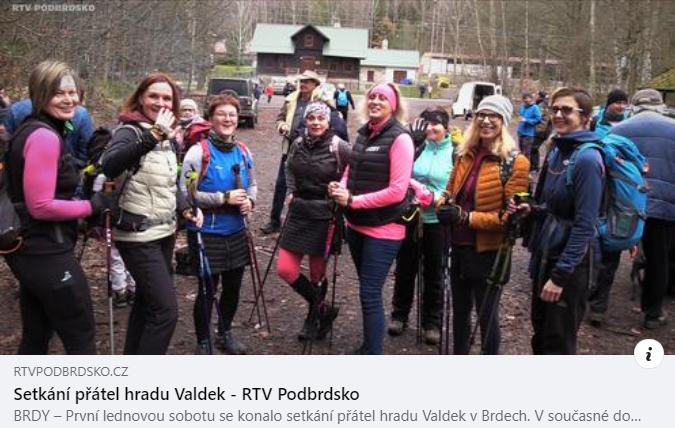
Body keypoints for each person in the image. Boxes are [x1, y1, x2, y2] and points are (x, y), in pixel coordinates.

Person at [4, 60, 110, 354]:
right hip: (46, 252)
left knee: (36, 337)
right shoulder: (43, 137)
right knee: (82, 340)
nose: (69, 99)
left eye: (73, 92)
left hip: (31, 251)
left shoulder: (34, 129)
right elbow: (41, 206)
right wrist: (91, 206)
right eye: (58, 93)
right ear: (40, 95)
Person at [101, 72, 203, 355]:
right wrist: (153, 134)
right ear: (141, 99)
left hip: (163, 232)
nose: (160, 102)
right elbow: (109, 165)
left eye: (167, 98)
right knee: (165, 312)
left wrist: (185, 206)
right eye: (153, 96)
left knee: (147, 304)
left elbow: (169, 181)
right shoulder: (130, 130)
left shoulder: (168, 137)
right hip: (136, 234)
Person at [436, 96, 529, 354]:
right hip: (459, 246)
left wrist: (467, 218)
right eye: (481, 115)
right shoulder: (465, 154)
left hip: (489, 252)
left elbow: (511, 218)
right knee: (460, 313)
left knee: (486, 317)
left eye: (494, 116)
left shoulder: (514, 162)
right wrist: (443, 204)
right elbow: (449, 190)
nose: (486, 121)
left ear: (504, 121)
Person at [328, 83, 414, 355]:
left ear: (393, 105)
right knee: (367, 291)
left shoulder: (401, 138)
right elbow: (352, 167)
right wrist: (342, 187)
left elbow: (397, 191)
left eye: (383, 98)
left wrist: (354, 200)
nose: (376, 101)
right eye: (372, 97)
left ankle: (373, 353)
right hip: (356, 224)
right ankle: (368, 347)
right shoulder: (365, 133)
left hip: (384, 228)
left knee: (370, 293)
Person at [521, 87, 604, 354]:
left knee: (558, 343)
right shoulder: (558, 150)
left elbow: (584, 224)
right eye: (554, 109)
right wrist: (532, 210)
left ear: (586, 116)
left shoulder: (588, 159)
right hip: (546, 254)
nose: (558, 114)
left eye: (567, 110)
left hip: (569, 267)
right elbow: (552, 206)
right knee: (541, 333)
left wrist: (559, 276)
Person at [179, 94, 256, 354]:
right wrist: (223, 198)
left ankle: (225, 332)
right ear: (211, 119)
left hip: (236, 230)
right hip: (205, 231)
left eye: (232, 114)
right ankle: (204, 340)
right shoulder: (197, 152)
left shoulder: (243, 151)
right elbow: (186, 195)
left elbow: (252, 185)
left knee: (233, 288)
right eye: (221, 114)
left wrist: (250, 202)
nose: (228, 119)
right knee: (207, 290)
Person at [277, 101, 350, 341]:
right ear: (305, 121)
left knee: (317, 274)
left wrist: (342, 190)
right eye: (311, 119)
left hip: (325, 215)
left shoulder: (339, 146)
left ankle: (312, 318)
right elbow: (288, 167)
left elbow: (352, 173)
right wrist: (290, 190)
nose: (316, 123)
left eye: (321, 118)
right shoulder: (298, 143)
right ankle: (325, 310)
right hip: (299, 211)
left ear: (328, 121)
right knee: (286, 269)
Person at [388, 107, 455, 344]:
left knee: (434, 272)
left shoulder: (454, 153)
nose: (430, 128)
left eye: (435, 124)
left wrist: (438, 198)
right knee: (405, 267)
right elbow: (398, 174)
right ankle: (399, 314)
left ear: (446, 127)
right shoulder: (416, 146)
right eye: (426, 124)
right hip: (410, 217)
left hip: (436, 221)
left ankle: (431, 321)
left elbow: (456, 187)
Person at [611, 89, 675, 329]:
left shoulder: (619, 129)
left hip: (627, 203)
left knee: (611, 248)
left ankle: (597, 304)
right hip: (666, 205)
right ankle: (653, 312)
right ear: (661, 106)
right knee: (660, 259)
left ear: (634, 106)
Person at [260, 70, 347, 235]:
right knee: (281, 185)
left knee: (317, 188)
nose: (303, 84)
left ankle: (333, 226)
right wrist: (282, 126)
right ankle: (274, 221)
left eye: (308, 81)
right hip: (291, 148)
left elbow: (333, 124)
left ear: (315, 84)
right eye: (302, 81)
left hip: (317, 152)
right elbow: (280, 118)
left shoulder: (323, 101)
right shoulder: (291, 99)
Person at [586, 88, 631, 327]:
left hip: (618, 197)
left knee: (612, 250)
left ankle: (598, 308)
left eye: (624, 104)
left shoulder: (630, 128)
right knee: (589, 245)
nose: (621, 107)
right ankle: (584, 293)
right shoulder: (594, 123)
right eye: (618, 103)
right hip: (594, 191)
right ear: (609, 103)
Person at [4, 96, 94, 169]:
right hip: (63, 176)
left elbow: (7, 144)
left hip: (20, 173)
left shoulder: (15, 109)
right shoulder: (80, 113)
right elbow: (87, 151)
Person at [517, 91, 542, 164]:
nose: (526, 100)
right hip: (521, 133)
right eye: (524, 98)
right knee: (521, 152)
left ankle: (526, 170)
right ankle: (521, 168)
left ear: (531, 99)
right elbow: (521, 118)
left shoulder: (535, 107)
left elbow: (538, 119)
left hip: (529, 134)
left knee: (526, 153)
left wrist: (526, 120)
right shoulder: (522, 107)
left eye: (528, 98)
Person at [531, 90, 551, 172]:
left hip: (541, 131)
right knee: (548, 149)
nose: (535, 96)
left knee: (533, 148)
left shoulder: (541, 106)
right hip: (548, 130)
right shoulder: (548, 104)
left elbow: (539, 118)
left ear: (540, 96)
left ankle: (535, 167)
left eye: (537, 95)